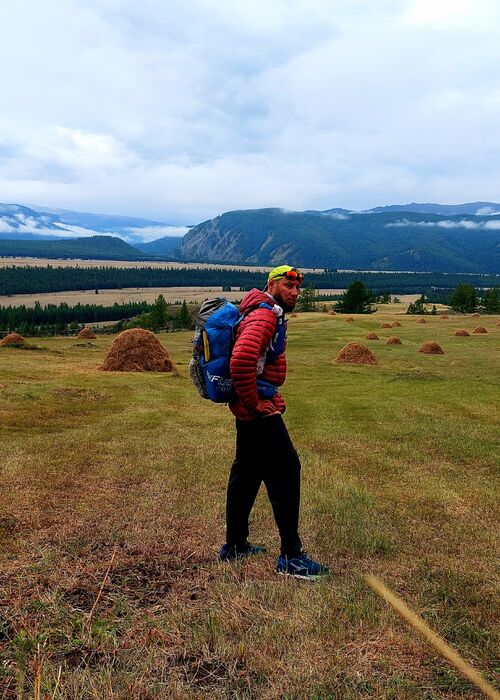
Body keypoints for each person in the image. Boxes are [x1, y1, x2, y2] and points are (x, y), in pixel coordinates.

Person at [219, 265, 329, 579]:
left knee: (247, 472)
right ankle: (291, 557)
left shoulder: (261, 311)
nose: (294, 293)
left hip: (249, 407)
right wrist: (254, 402)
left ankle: (235, 545)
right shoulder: (265, 315)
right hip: (256, 411)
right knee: (286, 468)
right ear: (271, 285)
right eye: (288, 286)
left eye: (297, 288)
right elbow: (241, 359)